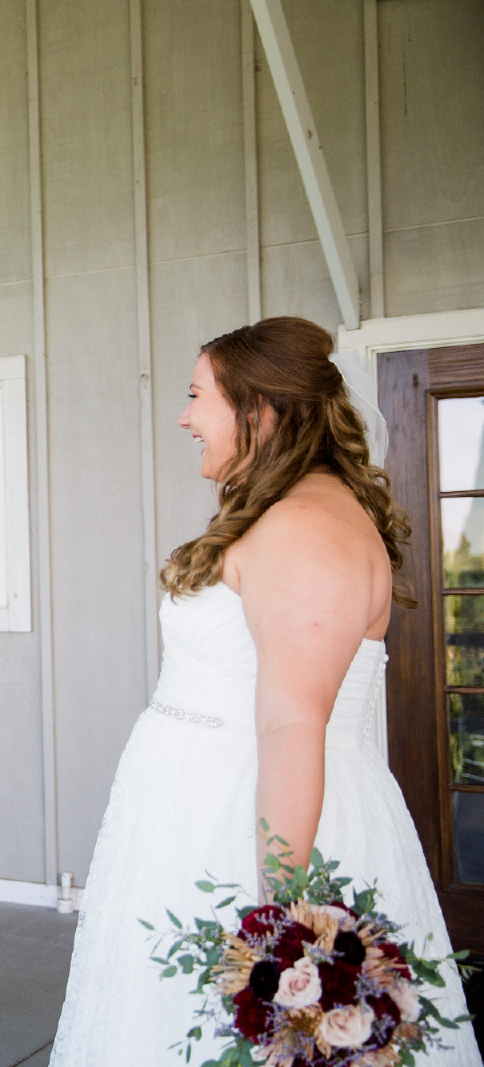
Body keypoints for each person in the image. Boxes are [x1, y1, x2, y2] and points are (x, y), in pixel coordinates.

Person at [50, 317, 480, 1065]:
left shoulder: (305, 528)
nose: (184, 416)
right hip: (196, 818)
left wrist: (286, 936)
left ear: (260, 408)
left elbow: (291, 723)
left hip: (249, 828)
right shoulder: (287, 513)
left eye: (196, 396)